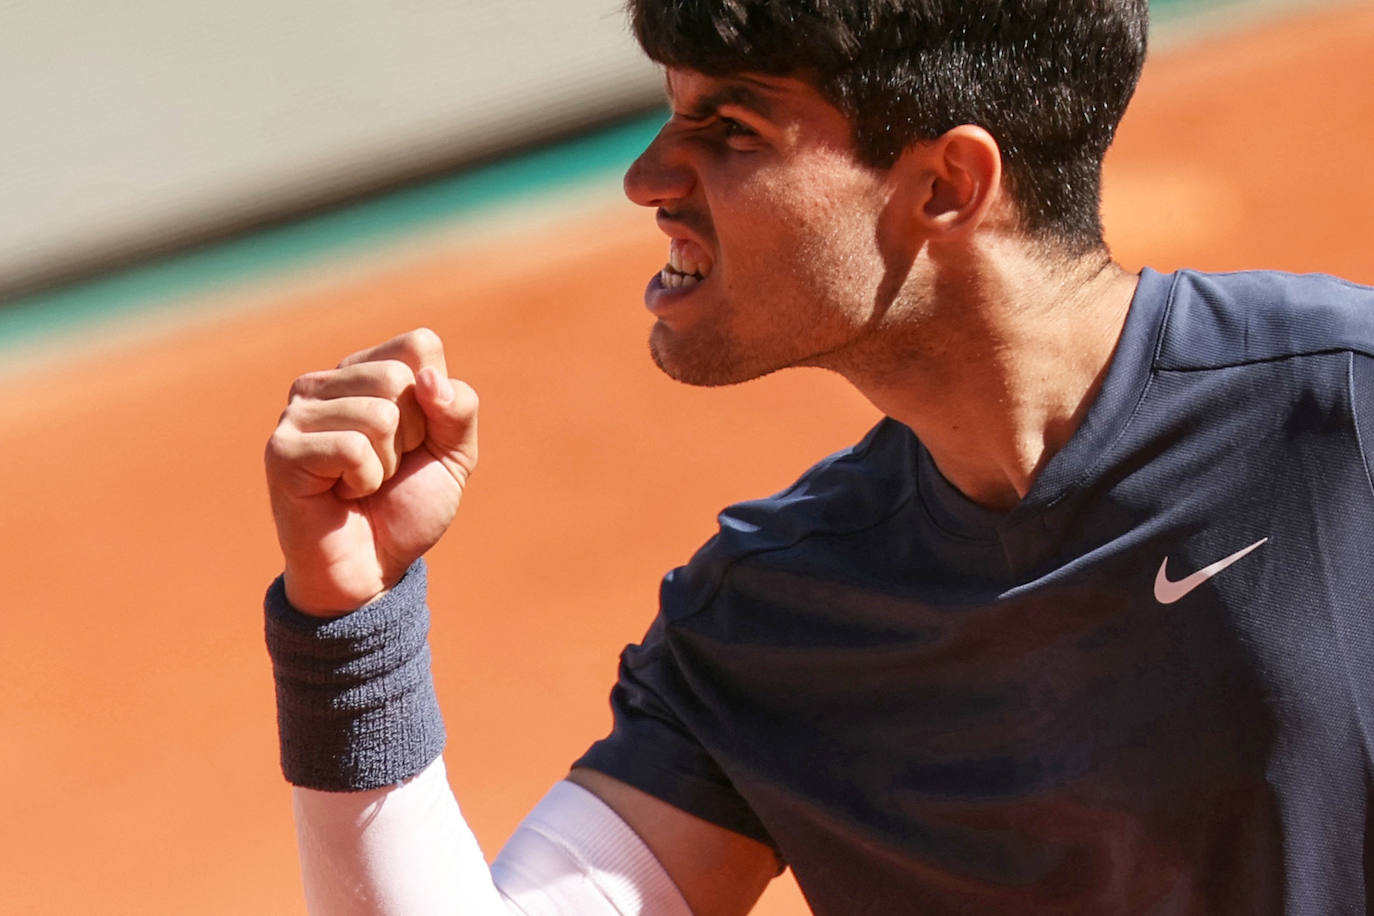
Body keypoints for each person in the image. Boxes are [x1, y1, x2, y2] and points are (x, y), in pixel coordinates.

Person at [262, 1, 1374, 913]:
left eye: (732, 130)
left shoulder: (1347, 413)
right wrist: (353, 626)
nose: (648, 178)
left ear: (946, 185)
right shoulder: (769, 621)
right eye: (671, 118)